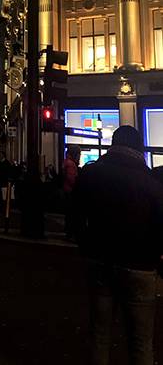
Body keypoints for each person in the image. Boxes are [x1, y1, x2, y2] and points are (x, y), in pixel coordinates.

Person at [74, 125, 163, 365]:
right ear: (138, 148)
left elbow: (74, 219)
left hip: (100, 260)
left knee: (100, 335)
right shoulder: (151, 182)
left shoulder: (91, 174)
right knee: (141, 341)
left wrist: (87, 246)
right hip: (140, 265)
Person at [62, 145, 80, 240]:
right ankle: (71, 234)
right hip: (70, 192)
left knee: (69, 214)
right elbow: (72, 179)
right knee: (72, 214)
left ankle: (69, 232)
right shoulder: (71, 164)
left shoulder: (66, 162)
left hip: (66, 190)